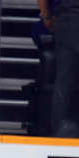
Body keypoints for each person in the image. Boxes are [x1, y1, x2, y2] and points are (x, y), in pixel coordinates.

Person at [37, 0, 79, 137]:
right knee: (64, 82)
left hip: (69, 18)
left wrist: (46, 16)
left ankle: (61, 136)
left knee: (64, 81)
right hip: (69, 18)